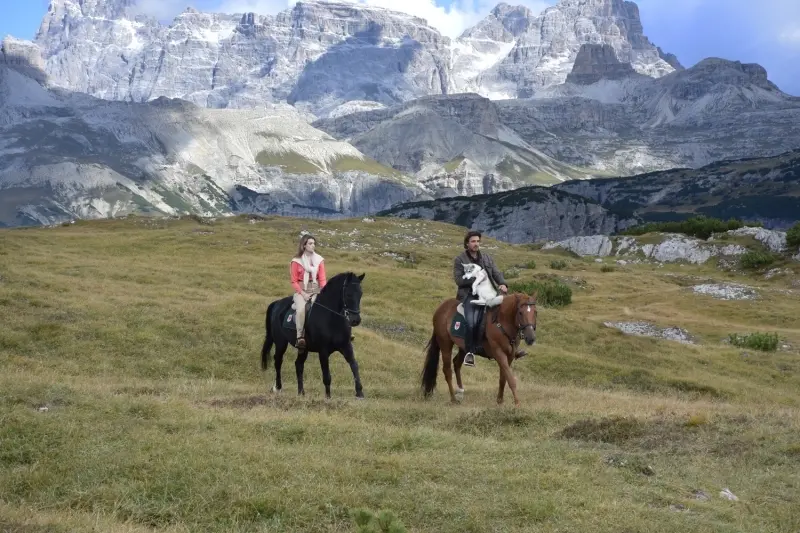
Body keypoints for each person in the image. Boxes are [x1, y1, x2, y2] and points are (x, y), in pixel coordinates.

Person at [453, 230, 527, 367]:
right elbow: (458, 280)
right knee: (472, 321)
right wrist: (477, 279)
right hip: (469, 295)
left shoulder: (486, 258)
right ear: (467, 243)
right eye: (473, 241)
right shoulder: (460, 260)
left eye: (477, 241)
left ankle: (513, 347)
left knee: (510, 312)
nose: (476, 244)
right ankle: (470, 352)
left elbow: (496, 273)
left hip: (489, 294)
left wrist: (503, 283)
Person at [290, 233, 327, 349]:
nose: (313, 245)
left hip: (315, 288)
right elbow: (294, 281)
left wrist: (323, 291)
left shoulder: (319, 260)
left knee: (326, 307)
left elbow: (322, 279)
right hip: (301, 289)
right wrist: (303, 294)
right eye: (310, 243)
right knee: (301, 309)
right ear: (304, 245)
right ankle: (299, 337)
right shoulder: (296, 261)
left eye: (314, 243)